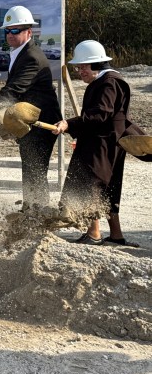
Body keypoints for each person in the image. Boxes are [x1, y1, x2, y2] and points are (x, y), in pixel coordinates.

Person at [0, 5, 62, 209]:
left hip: (41, 123)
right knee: (30, 169)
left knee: (34, 171)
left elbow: (12, 91)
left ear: (29, 32)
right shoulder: (21, 53)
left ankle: (37, 215)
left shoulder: (31, 57)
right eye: (7, 30)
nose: (10, 35)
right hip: (29, 121)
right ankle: (32, 211)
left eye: (15, 30)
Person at [52, 40, 139, 247]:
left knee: (92, 184)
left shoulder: (108, 82)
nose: (79, 71)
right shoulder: (106, 81)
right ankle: (116, 235)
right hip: (109, 143)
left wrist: (68, 124)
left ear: (96, 64)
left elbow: (100, 114)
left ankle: (94, 234)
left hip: (102, 145)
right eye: (78, 67)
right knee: (110, 187)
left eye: (82, 67)